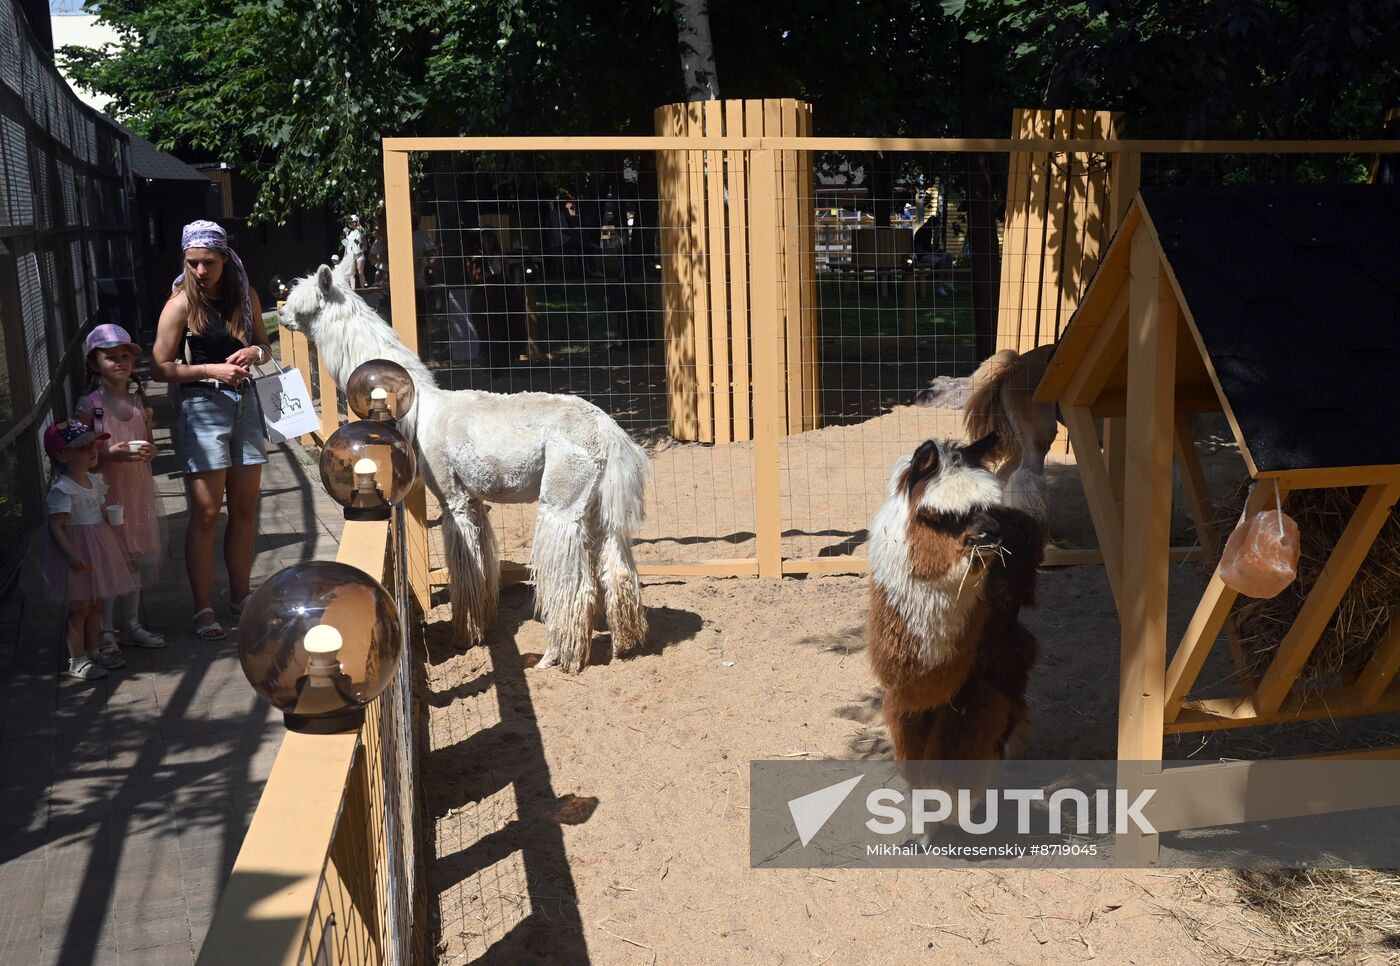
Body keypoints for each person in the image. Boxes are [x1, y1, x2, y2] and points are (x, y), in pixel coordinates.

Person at [151, 220, 272, 642]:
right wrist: (210, 370)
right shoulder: (181, 303)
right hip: (203, 406)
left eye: (208, 262)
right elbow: (159, 366)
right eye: (193, 263)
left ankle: (242, 597)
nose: (200, 271)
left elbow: (264, 343)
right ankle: (203, 608)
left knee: (244, 512)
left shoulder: (244, 296)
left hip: (247, 406)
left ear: (225, 258)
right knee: (204, 514)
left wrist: (255, 351)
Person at [75, 324, 167, 656]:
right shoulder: (90, 406)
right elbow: (78, 457)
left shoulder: (139, 400)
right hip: (104, 496)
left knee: (133, 559)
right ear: (93, 363)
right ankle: (105, 631)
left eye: (125, 355)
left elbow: (152, 446)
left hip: (137, 492)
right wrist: (109, 455)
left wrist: (150, 452)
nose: (120, 362)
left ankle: (131, 625)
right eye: (110, 356)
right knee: (106, 562)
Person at [31, 420, 138, 681]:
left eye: (93, 444)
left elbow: (97, 509)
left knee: (95, 604)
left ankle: (93, 650)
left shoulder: (93, 480)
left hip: (98, 547)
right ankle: (77, 660)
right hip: (78, 552)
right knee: (80, 608)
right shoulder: (63, 489)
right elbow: (56, 526)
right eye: (83, 447)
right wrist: (70, 556)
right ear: (62, 454)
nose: (93, 450)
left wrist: (109, 516)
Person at [343, 214, 367, 288]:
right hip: (350, 255)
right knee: (352, 273)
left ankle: (363, 288)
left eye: (353, 222)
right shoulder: (349, 232)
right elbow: (346, 244)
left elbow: (362, 237)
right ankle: (353, 289)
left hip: (359, 253)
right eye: (350, 222)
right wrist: (345, 255)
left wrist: (358, 223)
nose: (351, 223)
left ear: (356, 222)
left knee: (360, 272)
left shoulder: (360, 230)